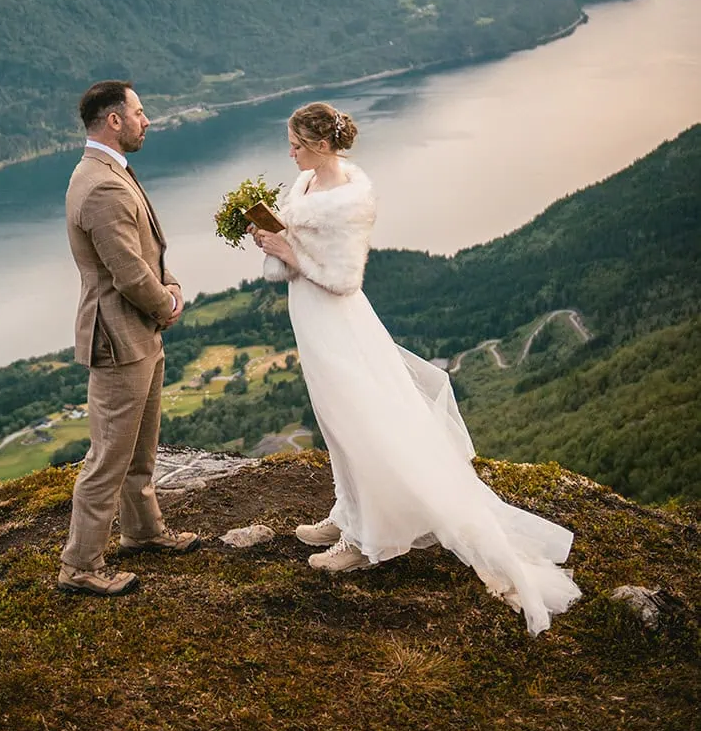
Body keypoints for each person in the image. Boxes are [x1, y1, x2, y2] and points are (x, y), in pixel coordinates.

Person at [249, 101, 582, 637]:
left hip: (335, 318)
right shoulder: (304, 184)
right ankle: (347, 511)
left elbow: (342, 277)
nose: (288, 150)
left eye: (294, 142)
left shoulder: (348, 200)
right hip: (309, 317)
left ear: (320, 143)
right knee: (335, 421)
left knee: (356, 421)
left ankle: (364, 540)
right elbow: (292, 252)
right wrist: (274, 242)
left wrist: (285, 248)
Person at [59, 80, 199, 597]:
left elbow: (146, 253)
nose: (147, 120)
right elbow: (127, 273)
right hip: (119, 337)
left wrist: (171, 286)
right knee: (107, 457)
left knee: (140, 448)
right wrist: (166, 304)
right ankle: (80, 565)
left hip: (138, 331)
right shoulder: (100, 185)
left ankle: (143, 532)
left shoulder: (106, 172)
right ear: (113, 120)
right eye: (140, 112)